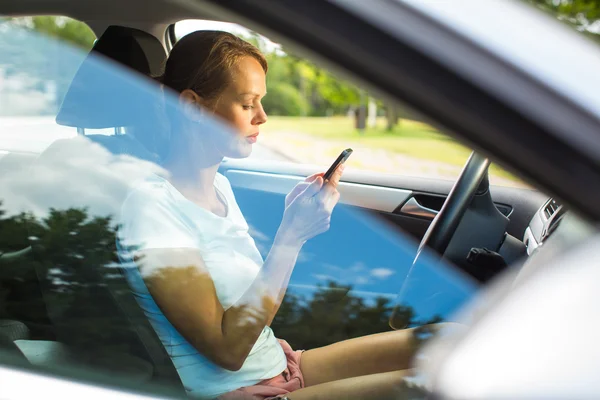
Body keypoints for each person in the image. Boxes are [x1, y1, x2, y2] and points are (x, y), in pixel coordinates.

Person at [117, 31, 431, 400]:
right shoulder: (153, 208)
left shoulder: (220, 187)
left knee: (448, 341)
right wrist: (291, 236)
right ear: (192, 106)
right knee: (433, 384)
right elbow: (228, 349)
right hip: (240, 390)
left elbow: (240, 310)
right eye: (248, 104)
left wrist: (263, 341)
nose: (263, 117)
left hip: (278, 364)